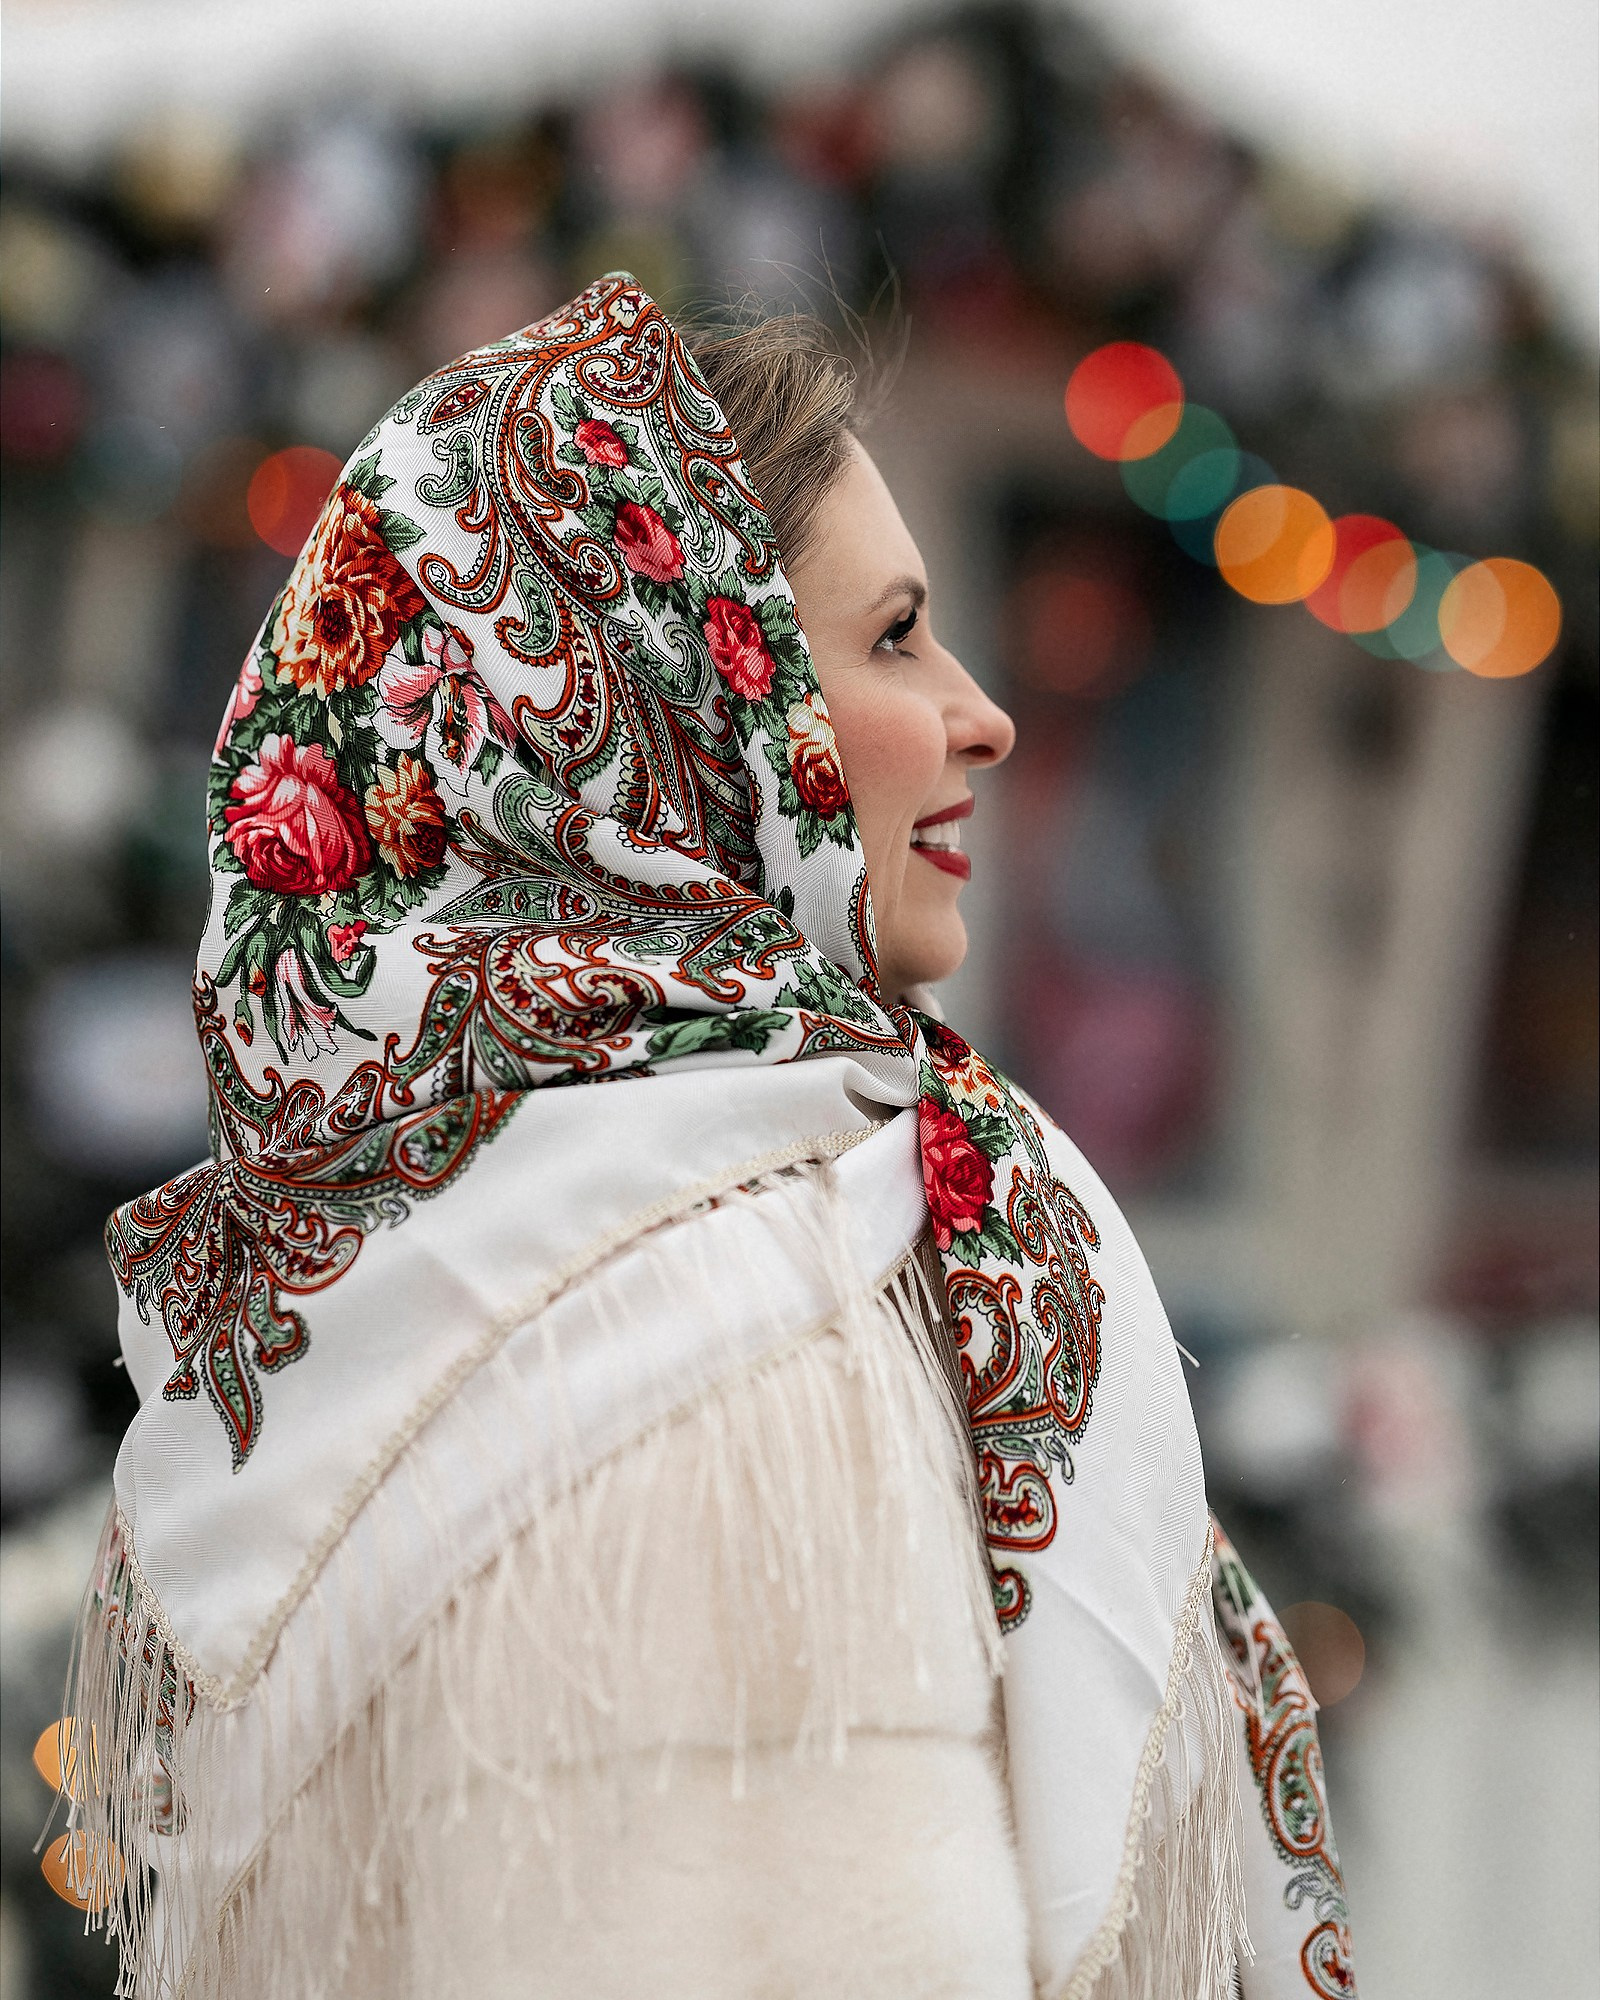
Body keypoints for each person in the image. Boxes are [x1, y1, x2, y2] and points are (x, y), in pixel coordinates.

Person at [51, 273, 1355, 1998]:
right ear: (686, 726)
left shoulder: (355, 1305)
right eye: (891, 638)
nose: (984, 713)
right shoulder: (748, 1320)